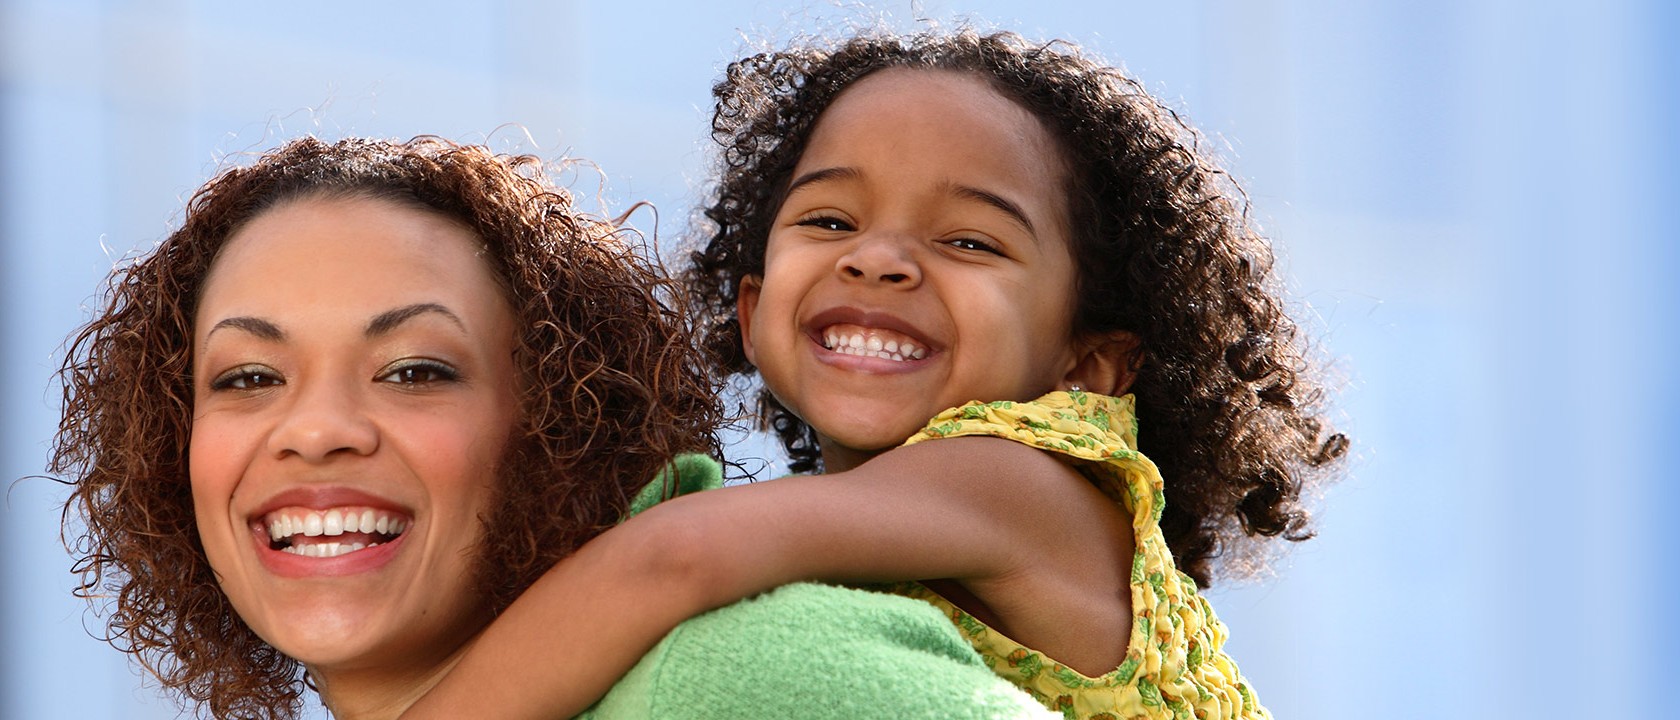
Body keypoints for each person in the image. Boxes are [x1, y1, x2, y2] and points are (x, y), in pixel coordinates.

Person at [405, 28, 1348, 720]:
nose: (880, 260)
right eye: (829, 222)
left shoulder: (1024, 477)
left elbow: (670, 559)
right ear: (752, 307)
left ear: (1088, 365)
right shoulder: (881, 535)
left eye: (969, 239)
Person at [53, 136, 1044, 720]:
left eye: (415, 371)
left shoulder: (733, 679)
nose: (315, 431)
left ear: (563, 422)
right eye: (250, 376)